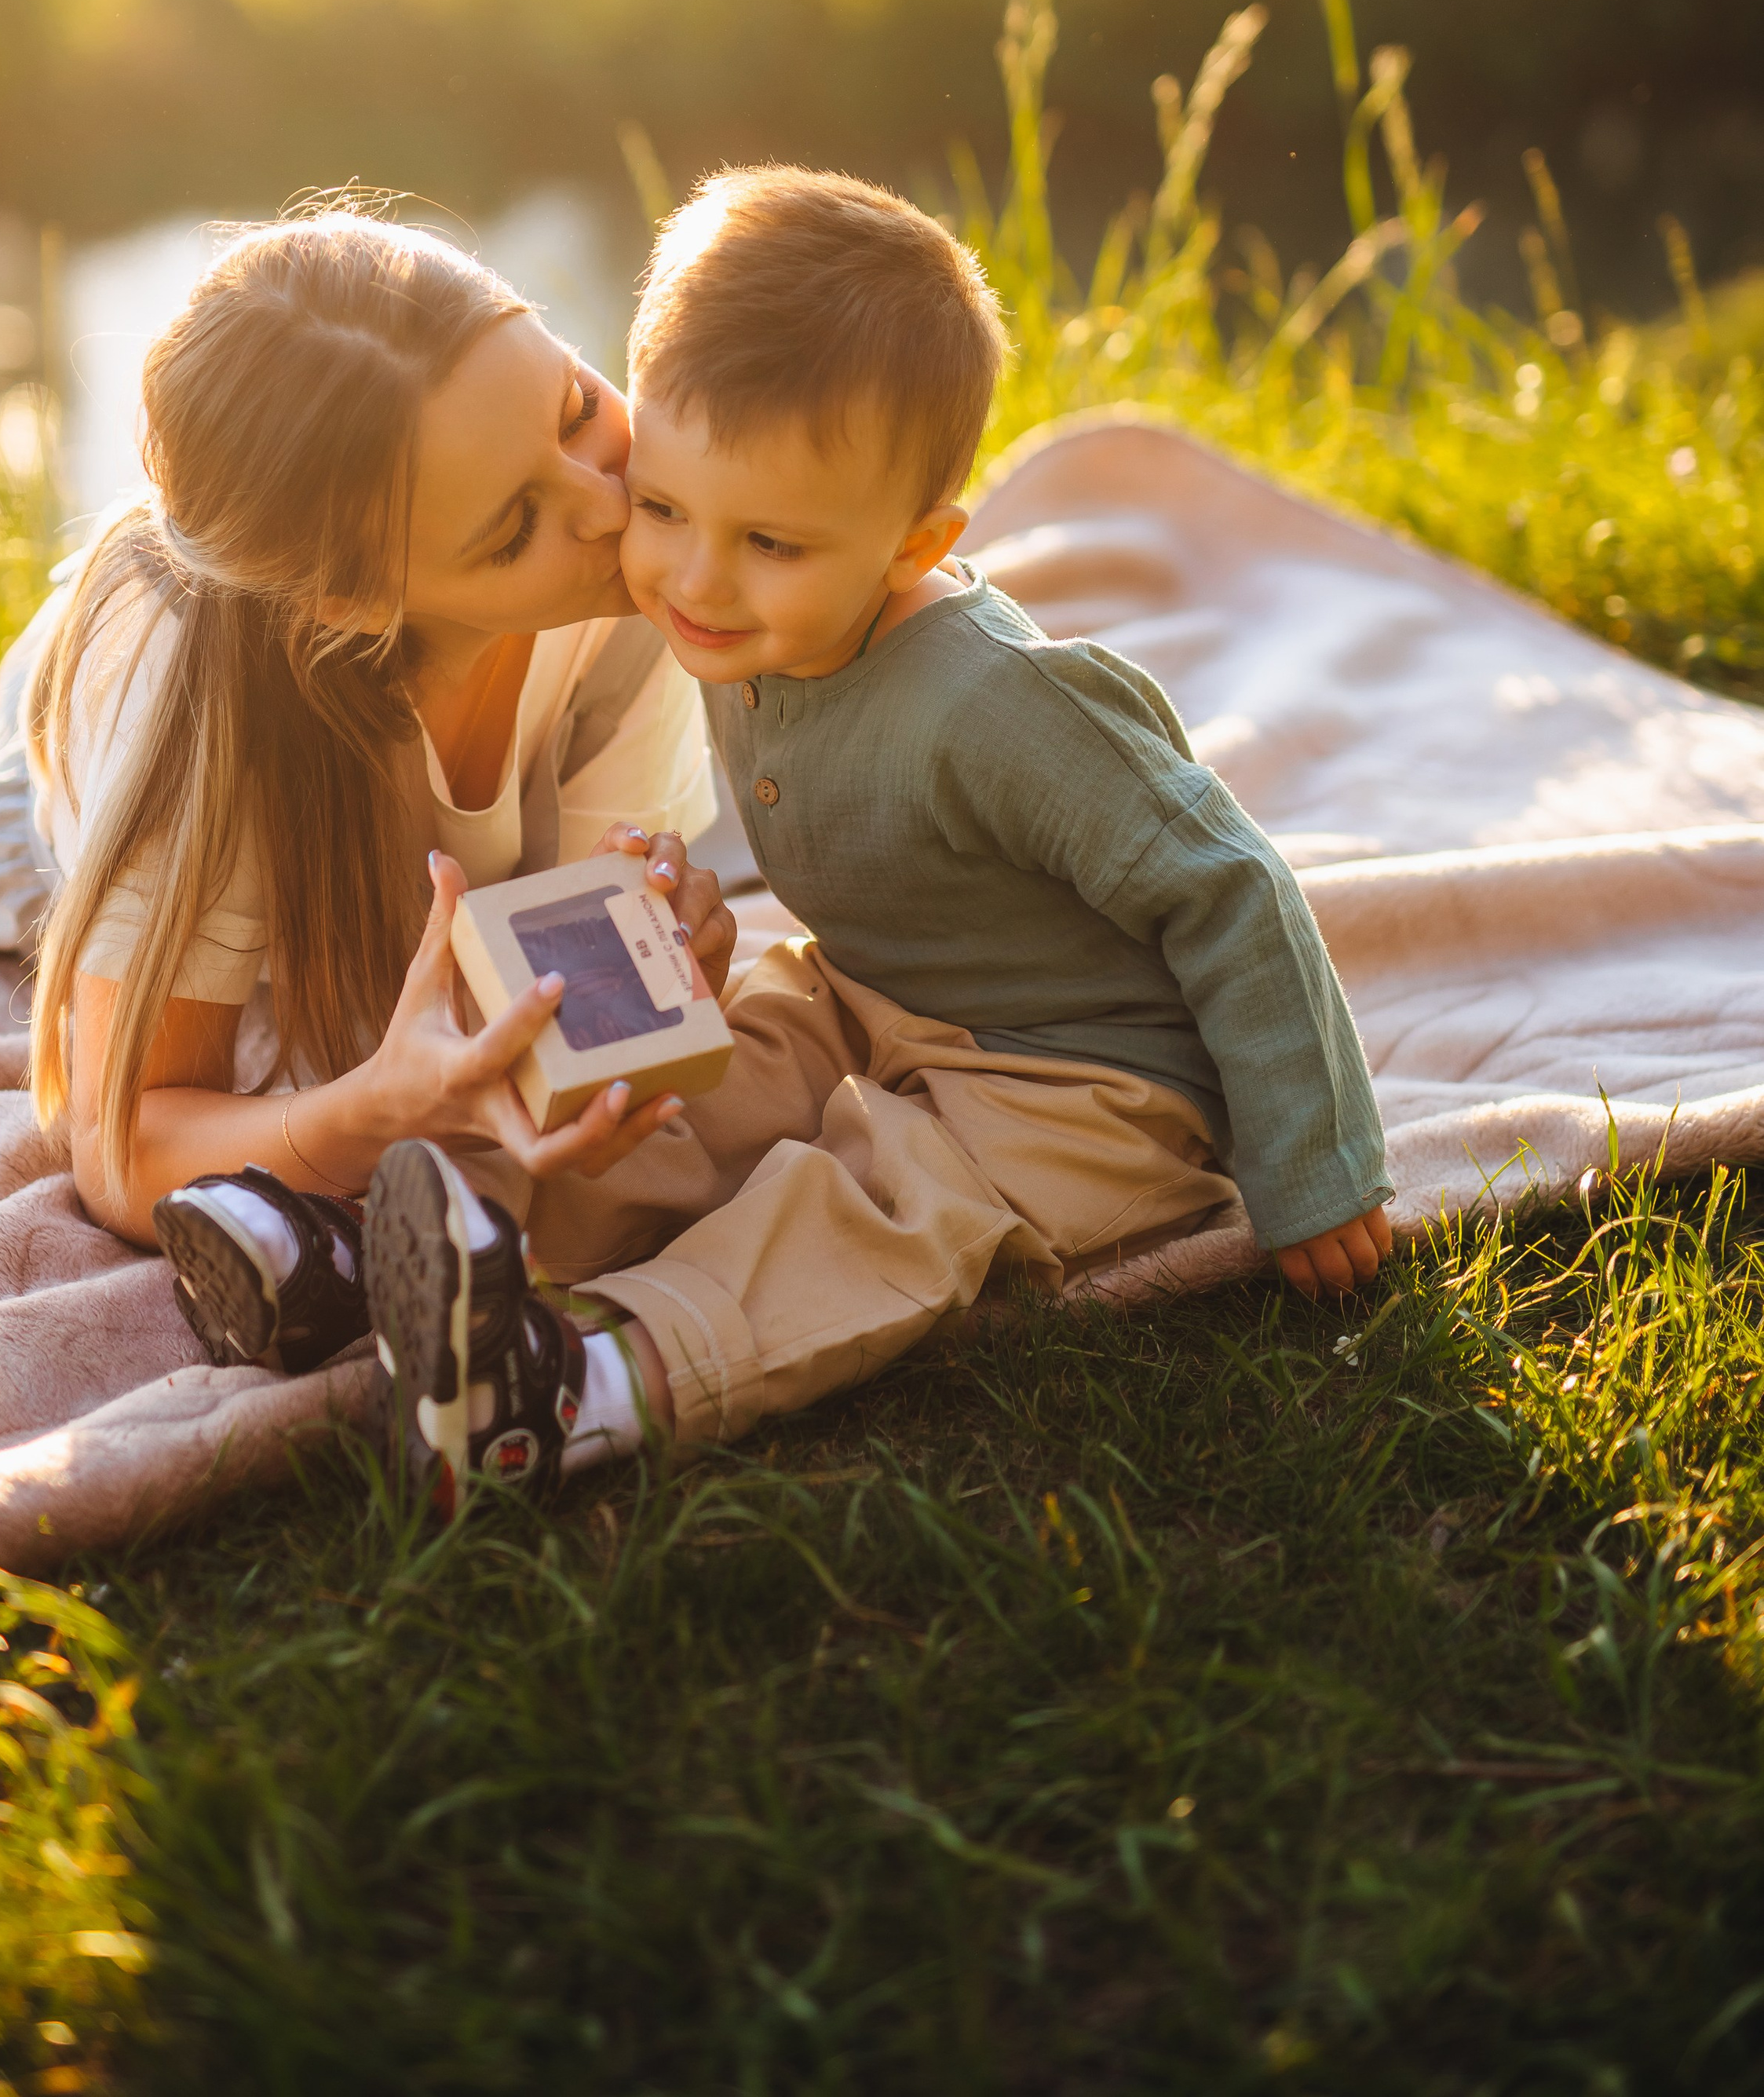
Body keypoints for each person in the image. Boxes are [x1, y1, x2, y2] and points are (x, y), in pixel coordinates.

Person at [363, 167, 1393, 1503]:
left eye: (771, 544)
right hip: (861, 994)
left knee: (880, 1198)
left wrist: (1318, 1170)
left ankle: (580, 1393)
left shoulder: (1000, 705)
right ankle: (409, 1251)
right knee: (688, 1090)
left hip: (1083, 1083)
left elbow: (1233, 888)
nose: (693, 579)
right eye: (665, 510)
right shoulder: (732, 619)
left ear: (916, 546)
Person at [0, 208, 738, 1489]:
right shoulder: (192, 706)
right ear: (358, 600)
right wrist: (369, 1112)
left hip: (325, 734)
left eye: (577, 406)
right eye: (514, 526)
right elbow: (122, 1142)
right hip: (112, 741)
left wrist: (666, 960)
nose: (608, 502)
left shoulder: (623, 593)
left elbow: (574, 951)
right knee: (6, 880)